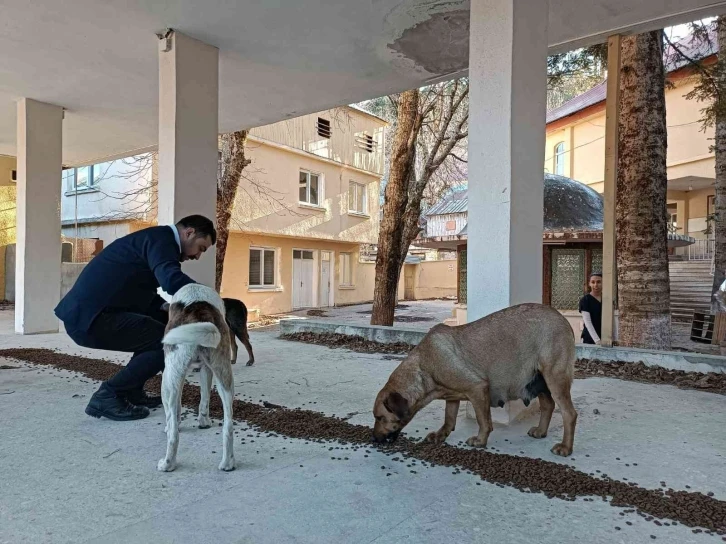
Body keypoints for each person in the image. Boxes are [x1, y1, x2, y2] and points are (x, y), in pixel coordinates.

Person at [55, 215, 216, 421]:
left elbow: (135, 288)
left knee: (161, 325)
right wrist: (211, 299)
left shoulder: (154, 239)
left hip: (92, 313)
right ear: (189, 232)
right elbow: (171, 280)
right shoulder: (163, 240)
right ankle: (108, 394)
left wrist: (163, 307)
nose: (197, 256)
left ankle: (132, 391)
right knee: (166, 342)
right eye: (201, 248)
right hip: (91, 318)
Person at [579, 273, 602, 345]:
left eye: (598, 282)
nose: (596, 285)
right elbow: (587, 322)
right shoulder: (585, 300)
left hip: (605, 339)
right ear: (589, 284)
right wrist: (597, 340)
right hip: (589, 340)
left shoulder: (607, 299)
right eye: (593, 282)